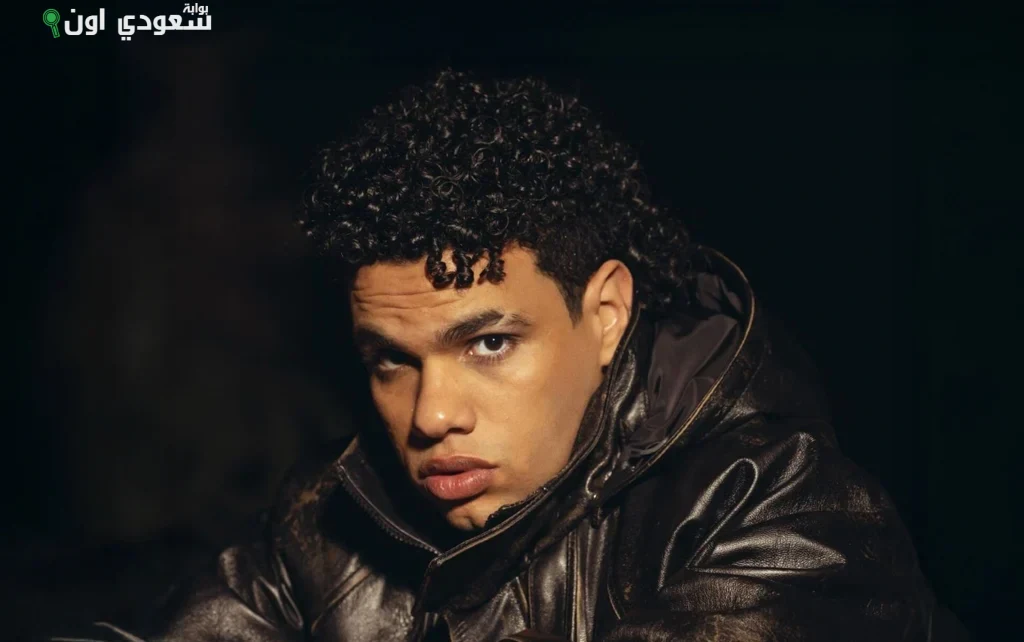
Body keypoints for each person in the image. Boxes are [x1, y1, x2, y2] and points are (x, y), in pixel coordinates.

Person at [56, 68, 970, 641]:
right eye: (391, 360)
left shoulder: (784, 509)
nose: (431, 415)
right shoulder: (324, 527)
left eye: (489, 343)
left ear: (605, 315)